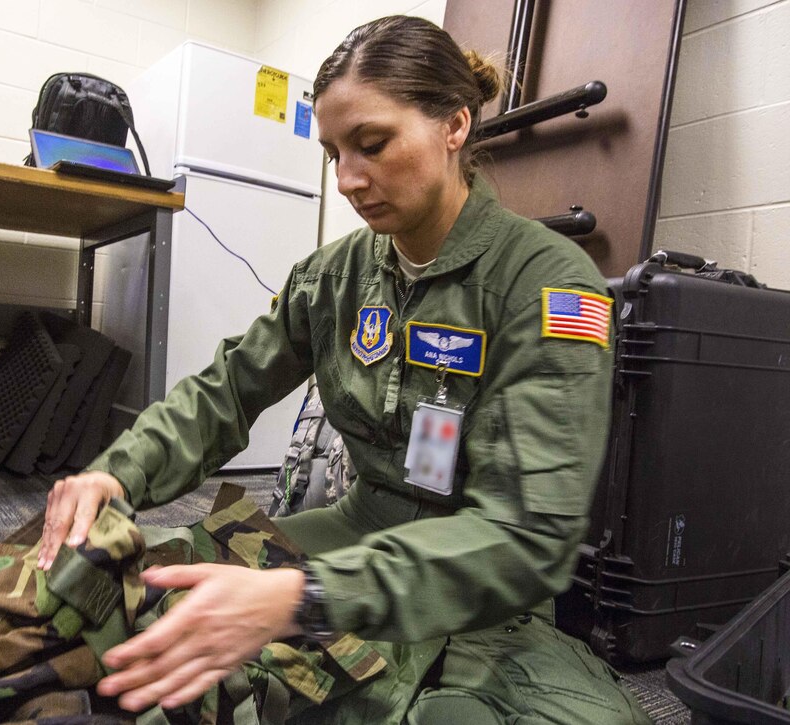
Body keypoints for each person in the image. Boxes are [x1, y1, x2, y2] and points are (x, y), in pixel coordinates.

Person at [37, 15, 651, 725]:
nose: (349, 180)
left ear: (454, 126)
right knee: (137, 606)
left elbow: (526, 535)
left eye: (372, 144)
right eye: (333, 152)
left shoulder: (548, 285)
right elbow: (228, 389)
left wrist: (306, 595)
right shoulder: (336, 276)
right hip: (354, 531)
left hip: (484, 584)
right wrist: (118, 472)